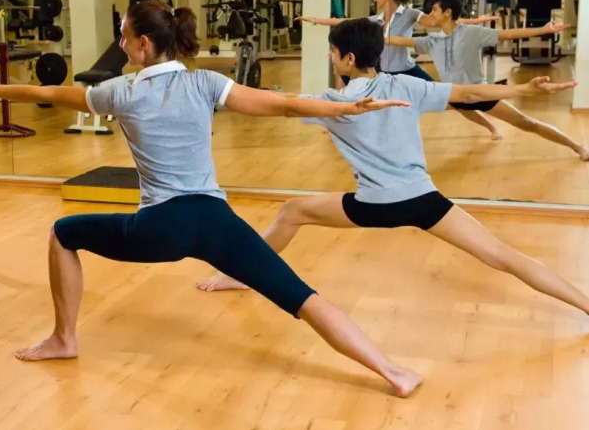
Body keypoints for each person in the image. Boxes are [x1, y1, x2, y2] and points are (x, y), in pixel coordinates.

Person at [0, 0, 425, 397]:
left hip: (160, 228)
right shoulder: (205, 82)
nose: (120, 44)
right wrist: (346, 107)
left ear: (144, 44)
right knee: (303, 297)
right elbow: (280, 105)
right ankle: (394, 371)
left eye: (124, 36)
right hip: (216, 221)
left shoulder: (119, 92)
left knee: (64, 233)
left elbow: (46, 94)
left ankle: (64, 338)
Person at [195, 19, 589, 329]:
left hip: (373, 206)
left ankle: (243, 275)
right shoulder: (406, 85)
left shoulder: (332, 102)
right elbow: (469, 95)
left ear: (349, 59)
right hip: (424, 201)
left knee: (291, 212)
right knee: (503, 255)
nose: (331, 57)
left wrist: (211, 94)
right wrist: (524, 91)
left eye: (333, 52)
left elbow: (278, 105)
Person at [385, 0, 588, 158]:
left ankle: (577, 146)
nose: (430, 15)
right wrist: (373, 34)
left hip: (480, 94)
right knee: (405, 108)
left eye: (435, 10)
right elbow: (396, 41)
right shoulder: (431, 40)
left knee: (527, 123)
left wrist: (542, 29)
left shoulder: (471, 33)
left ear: (448, 12)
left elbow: (508, 34)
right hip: (452, 95)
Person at [297, 0, 502, 136]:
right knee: (350, 89)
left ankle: (490, 126)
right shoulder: (377, 19)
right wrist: (314, 20)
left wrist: (475, 21)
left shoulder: (410, 14)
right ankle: (336, 122)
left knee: (451, 98)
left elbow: (437, 20)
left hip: (406, 69)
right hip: (381, 72)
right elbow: (347, 21)